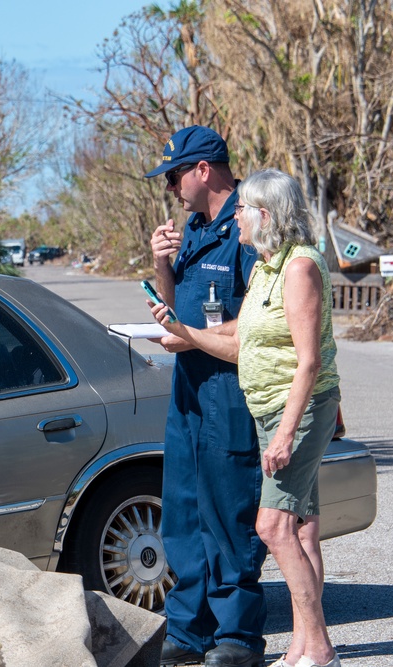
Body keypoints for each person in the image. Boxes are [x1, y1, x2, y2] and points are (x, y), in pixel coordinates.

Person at [148, 168, 342, 667]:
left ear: (266, 214)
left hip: (292, 410)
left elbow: (309, 361)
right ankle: (303, 645)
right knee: (300, 530)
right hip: (270, 408)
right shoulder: (265, 266)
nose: (235, 216)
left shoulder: (299, 268)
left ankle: (318, 649)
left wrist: (283, 433)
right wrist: (185, 332)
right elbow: (240, 339)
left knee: (272, 527)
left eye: (243, 209)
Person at [144, 126, 267, 667]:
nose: (170, 186)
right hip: (188, 388)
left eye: (174, 175)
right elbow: (171, 312)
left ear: (202, 170)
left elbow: (259, 321)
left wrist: (192, 337)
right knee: (184, 511)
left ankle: (237, 637)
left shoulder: (250, 222)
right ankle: (188, 631)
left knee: (228, 511)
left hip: (228, 389)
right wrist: (161, 265)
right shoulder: (192, 230)